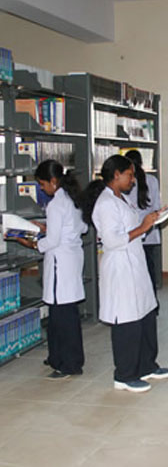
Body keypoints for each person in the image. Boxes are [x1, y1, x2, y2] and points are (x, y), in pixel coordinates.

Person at [80, 155, 168, 392]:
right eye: (130, 175)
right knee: (127, 321)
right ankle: (124, 374)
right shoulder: (105, 204)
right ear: (116, 174)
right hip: (120, 267)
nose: (133, 180)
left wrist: (152, 219)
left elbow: (132, 227)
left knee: (146, 314)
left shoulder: (122, 198)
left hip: (135, 263)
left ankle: (146, 365)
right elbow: (112, 240)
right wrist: (143, 227)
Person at [16, 160, 87, 380]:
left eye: (42, 184)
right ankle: (57, 356)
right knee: (63, 314)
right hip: (71, 258)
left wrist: (32, 243)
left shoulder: (56, 204)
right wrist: (48, 228)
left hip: (60, 263)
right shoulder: (72, 198)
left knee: (62, 316)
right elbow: (80, 227)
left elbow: (53, 241)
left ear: (53, 181)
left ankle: (68, 364)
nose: (42, 188)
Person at [125, 149, 162, 297]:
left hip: (133, 232)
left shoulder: (127, 183)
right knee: (149, 270)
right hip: (149, 233)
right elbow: (156, 206)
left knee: (135, 271)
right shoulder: (152, 180)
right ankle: (153, 301)